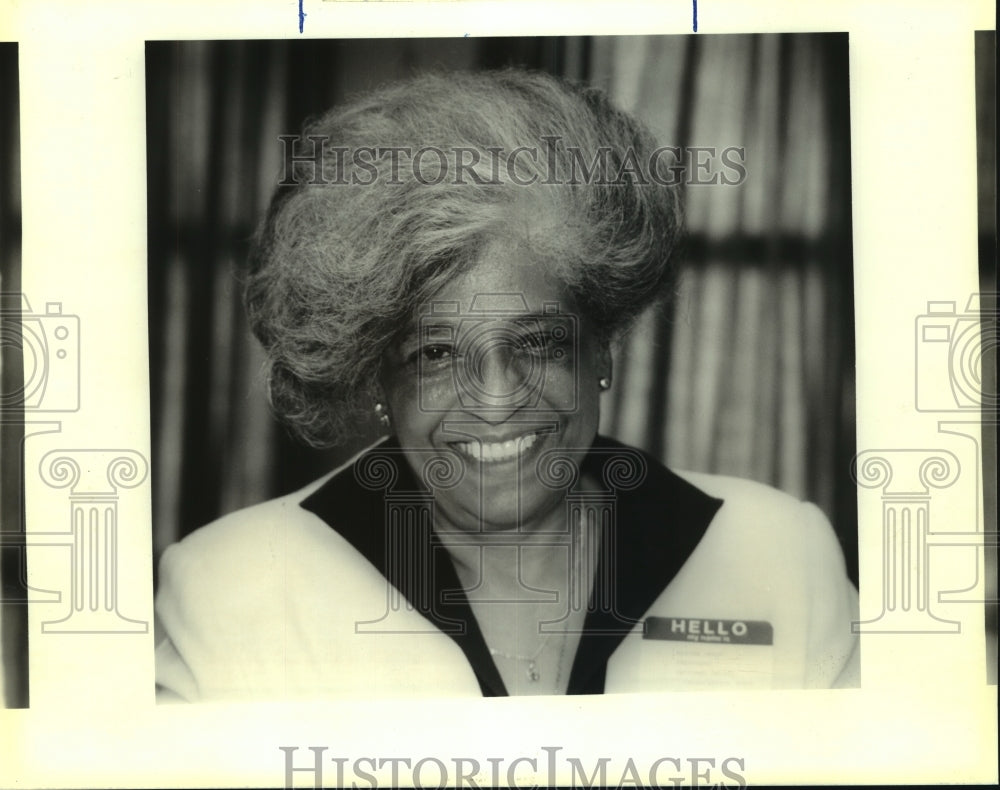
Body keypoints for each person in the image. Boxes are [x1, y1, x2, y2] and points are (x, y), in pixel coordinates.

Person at [154, 69, 859, 701]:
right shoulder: (229, 590)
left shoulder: (777, 554)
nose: (496, 397)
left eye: (539, 342)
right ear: (378, 377)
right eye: (434, 353)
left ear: (602, 350)